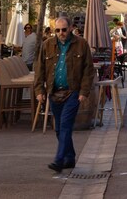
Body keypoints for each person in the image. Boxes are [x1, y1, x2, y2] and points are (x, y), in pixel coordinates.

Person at [34, 17, 94, 173]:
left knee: (66, 125)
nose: (61, 33)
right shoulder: (47, 45)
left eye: (64, 29)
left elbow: (88, 70)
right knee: (59, 129)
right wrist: (39, 90)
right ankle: (70, 158)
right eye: (58, 30)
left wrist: (83, 92)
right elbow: (39, 69)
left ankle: (59, 159)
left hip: (72, 91)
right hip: (54, 91)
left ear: (71, 28)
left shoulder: (81, 44)